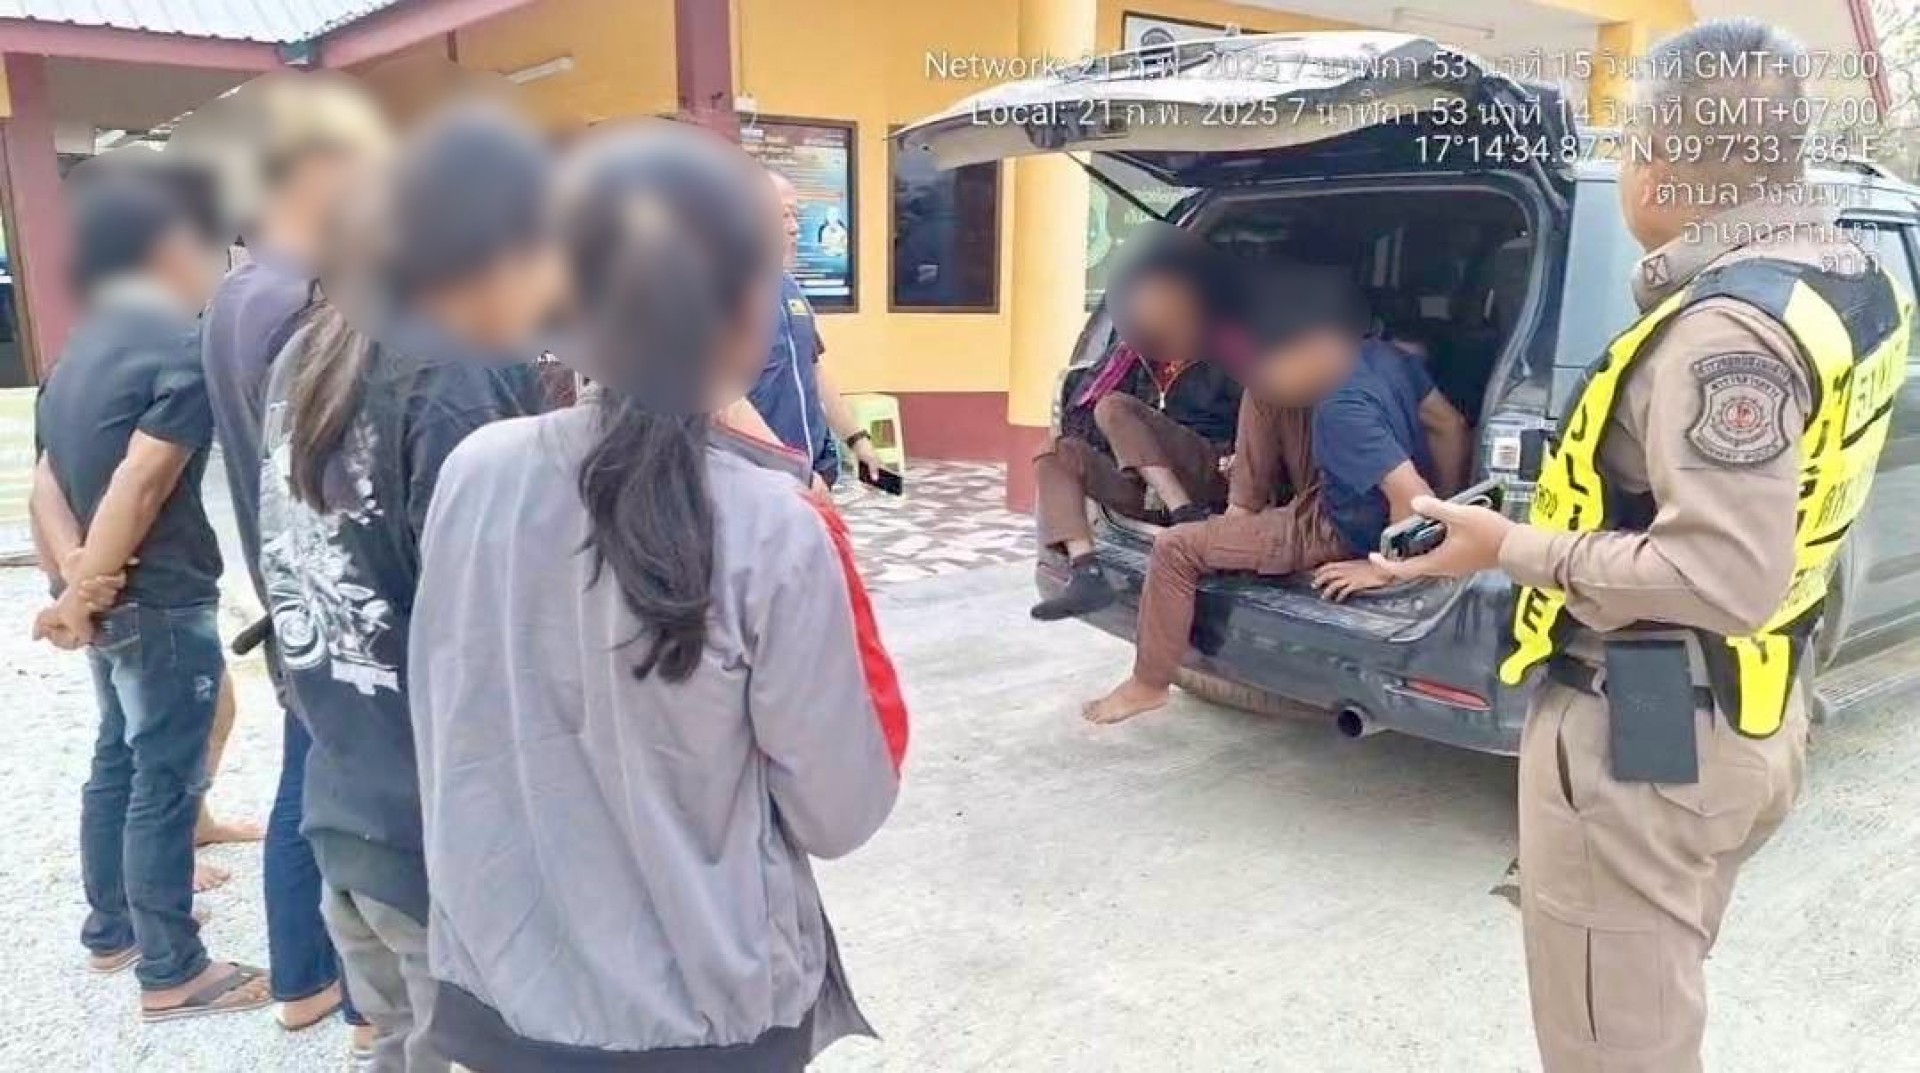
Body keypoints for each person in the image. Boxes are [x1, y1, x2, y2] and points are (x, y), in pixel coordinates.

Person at [1371, 20, 1910, 1071]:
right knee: (1649, 1002)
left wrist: (1509, 547)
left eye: (1625, 148)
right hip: (1750, 704)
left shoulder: (1726, 333)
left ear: (1659, 161)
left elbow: (1723, 573)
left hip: (1653, 732)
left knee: (1615, 1045)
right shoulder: (1851, 275)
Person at [410, 119, 906, 1071]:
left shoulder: (475, 470)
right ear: (744, 306)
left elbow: (449, 709)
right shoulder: (769, 521)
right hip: (710, 1013)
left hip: (504, 991)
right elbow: (841, 810)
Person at [257, 107, 560, 1072]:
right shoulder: (457, 370)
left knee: (396, 1045)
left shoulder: (314, 346)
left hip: (349, 793)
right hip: (447, 835)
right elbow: (505, 622)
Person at [30, 171, 274, 1020]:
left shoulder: (78, 349)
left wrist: (76, 585)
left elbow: (45, 483)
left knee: (117, 757)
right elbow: (143, 479)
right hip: (161, 598)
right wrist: (87, 586)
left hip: (106, 601)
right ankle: (174, 969)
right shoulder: (181, 344)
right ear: (170, 248)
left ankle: (114, 928)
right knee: (164, 774)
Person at [198, 72, 389, 1040]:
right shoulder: (303, 302)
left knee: (306, 772)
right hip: (329, 580)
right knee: (336, 792)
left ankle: (305, 978)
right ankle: (351, 995)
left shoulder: (237, 292)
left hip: (282, 575)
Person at [1083, 267, 1470, 725]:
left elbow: (1413, 500)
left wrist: (1385, 567)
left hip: (1335, 527)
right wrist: (1452, 504)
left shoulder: (1343, 416)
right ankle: (1241, 511)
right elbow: (1450, 425)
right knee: (1264, 393)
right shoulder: (1384, 356)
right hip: (1349, 487)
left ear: (1311, 346)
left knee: (1174, 548)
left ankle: (1147, 686)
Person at [1030, 227, 1245, 621]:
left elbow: (1263, 418)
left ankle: (1186, 517)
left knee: (1114, 408)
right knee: (1054, 451)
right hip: (1144, 487)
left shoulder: (1231, 353)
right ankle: (1086, 572)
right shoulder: (1130, 357)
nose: (1151, 309)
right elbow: (1082, 422)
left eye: (1163, 298)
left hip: (1209, 471)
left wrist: (1241, 461)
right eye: (1143, 302)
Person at [747, 169, 887, 486]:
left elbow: (813, 369)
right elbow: (722, 404)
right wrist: (791, 470)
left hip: (813, 470)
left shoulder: (791, 290)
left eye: (795, 215)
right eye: (782, 215)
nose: (794, 227)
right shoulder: (721, 295)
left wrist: (856, 439)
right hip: (760, 479)